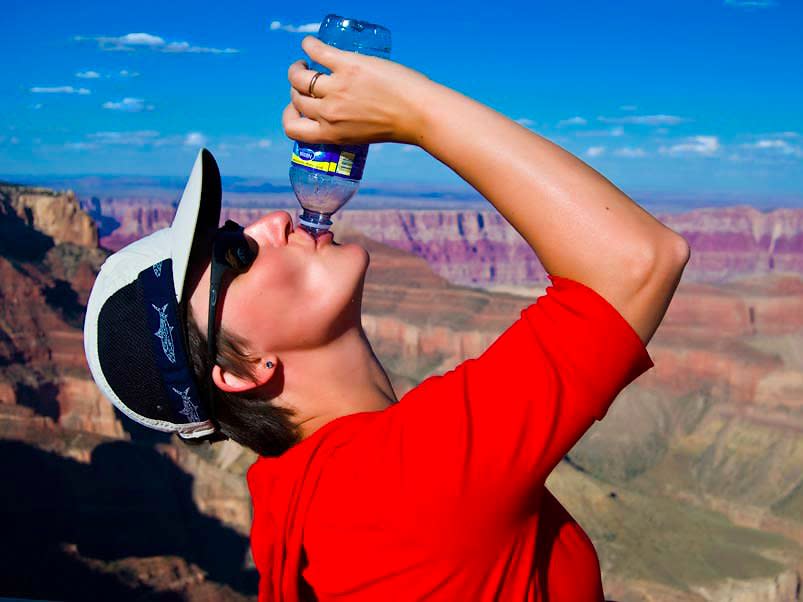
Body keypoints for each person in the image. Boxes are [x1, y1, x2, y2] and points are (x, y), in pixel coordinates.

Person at [84, 34, 690, 602]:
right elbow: (637, 261)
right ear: (243, 372)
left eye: (235, 231)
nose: (269, 223)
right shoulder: (397, 485)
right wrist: (412, 112)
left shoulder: (289, 491)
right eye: (235, 256)